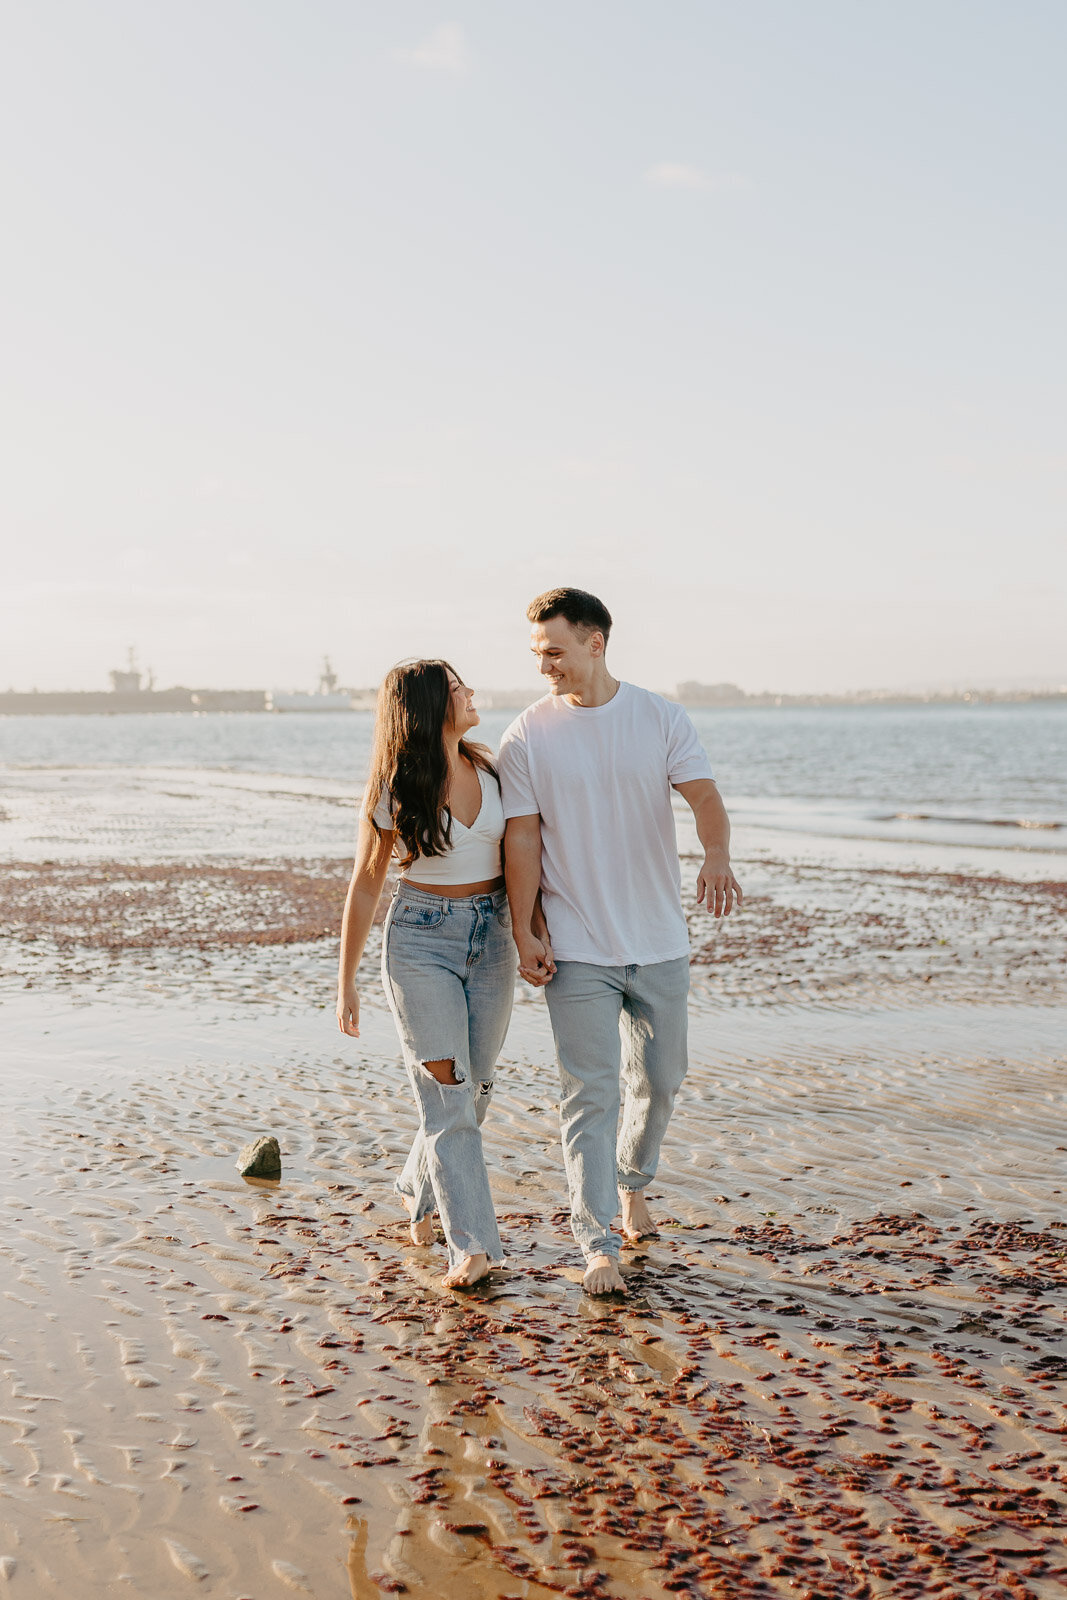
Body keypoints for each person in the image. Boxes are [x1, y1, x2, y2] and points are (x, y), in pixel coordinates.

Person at [499, 588, 742, 1296]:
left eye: (554, 651)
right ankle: (596, 1241)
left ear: (594, 643)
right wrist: (524, 930)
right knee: (589, 1095)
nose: (544, 665)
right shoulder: (527, 734)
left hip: (659, 939)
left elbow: (702, 797)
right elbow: (521, 838)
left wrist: (717, 855)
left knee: (661, 1081)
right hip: (575, 945)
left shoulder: (658, 715)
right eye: (536, 653)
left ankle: (633, 1180)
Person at [336, 660, 516, 1290]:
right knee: (447, 1096)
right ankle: (470, 1246)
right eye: (457, 687)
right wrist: (347, 981)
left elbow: (528, 856)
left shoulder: (493, 769)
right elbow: (365, 885)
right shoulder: (393, 787)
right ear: (429, 705)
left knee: (477, 1091)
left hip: (492, 938)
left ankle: (417, 1190)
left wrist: (531, 930)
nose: (469, 691)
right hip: (419, 943)